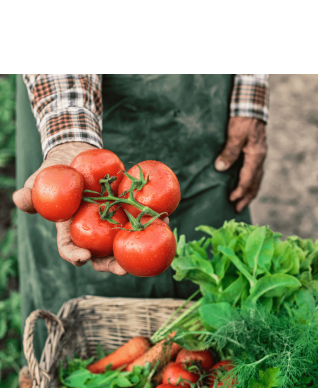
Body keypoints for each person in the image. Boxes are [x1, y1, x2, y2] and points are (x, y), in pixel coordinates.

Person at [14, 74, 269, 352]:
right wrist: (70, 140)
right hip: (76, 100)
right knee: (80, 331)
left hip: (203, 106)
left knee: (217, 275)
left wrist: (250, 95)